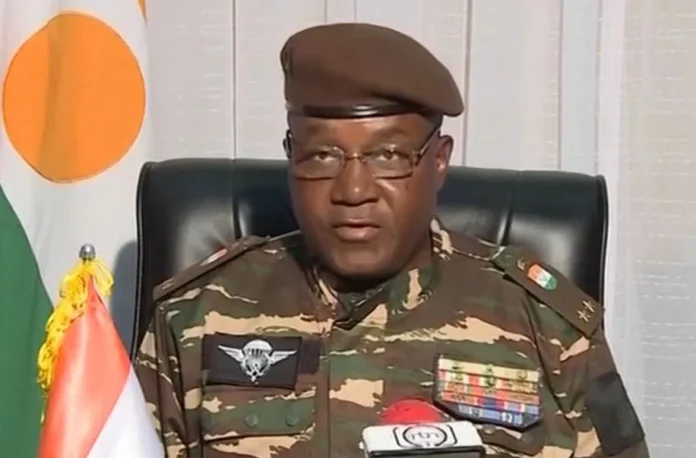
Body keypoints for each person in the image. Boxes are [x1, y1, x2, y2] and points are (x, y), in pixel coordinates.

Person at [134, 22, 649, 458]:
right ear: (291, 159)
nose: (353, 190)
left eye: (388, 157)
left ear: (439, 161)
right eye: (322, 156)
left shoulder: (548, 329)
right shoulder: (195, 317)